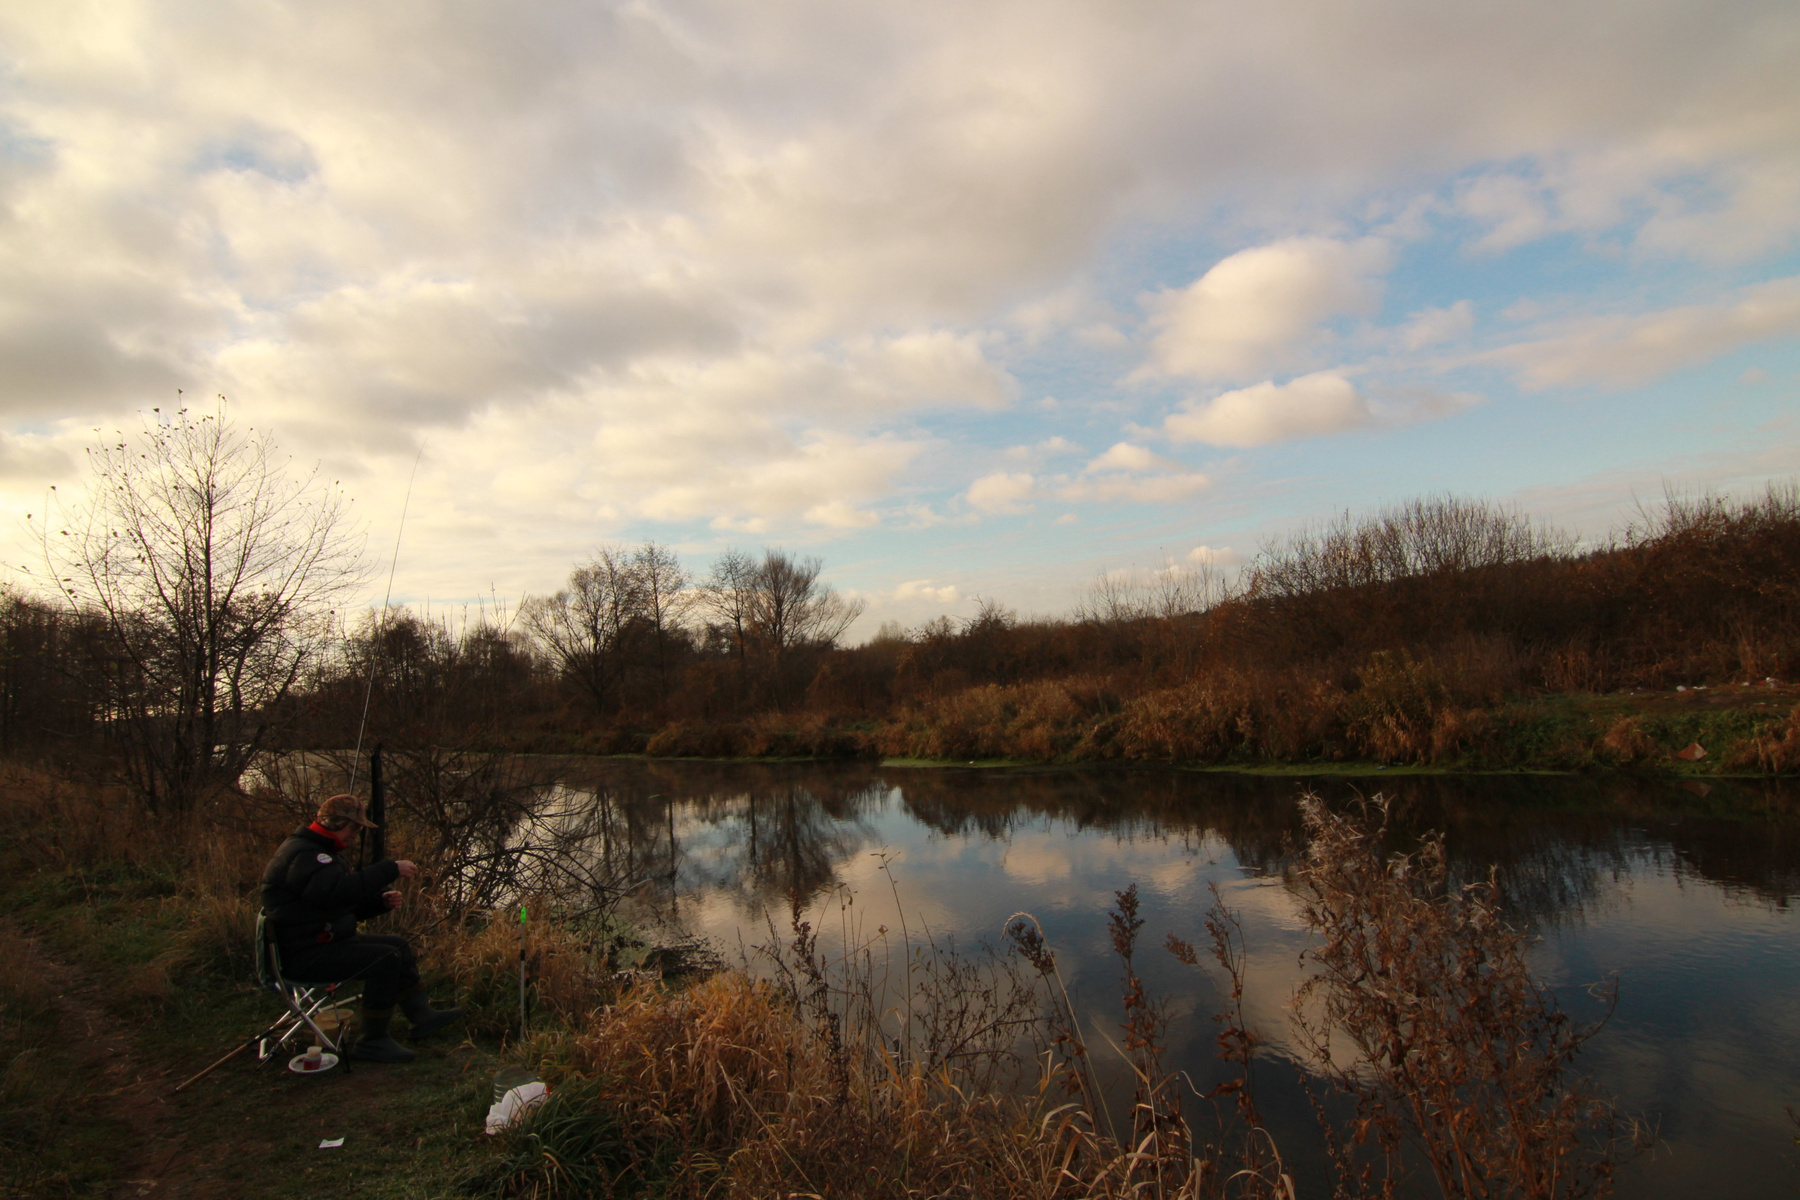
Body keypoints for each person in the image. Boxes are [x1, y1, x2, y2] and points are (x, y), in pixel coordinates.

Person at [260, 793, 462, 1063]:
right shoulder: (307, 856)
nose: (355, 835)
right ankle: (373, 1041)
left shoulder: (317, 852)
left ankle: (422, 1017)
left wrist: (379, 902)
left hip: (321, 943)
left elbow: (336, 904)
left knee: (397, 946)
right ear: (336, 823)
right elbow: (335, 893)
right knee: (384, 959)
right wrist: (389, 869)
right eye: (353, 828)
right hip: (305, 956)